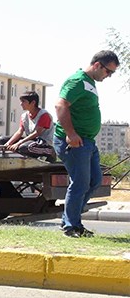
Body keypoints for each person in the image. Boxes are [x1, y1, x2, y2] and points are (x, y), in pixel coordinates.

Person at [54, 50, 119, 238]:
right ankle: (71, 226)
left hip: (87, 141)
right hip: (75, 141)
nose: (109, 76)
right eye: (109, 72)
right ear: (98, 65)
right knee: (80, 183)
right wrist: (71, 134)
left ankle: (70, 217)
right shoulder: (77, 81)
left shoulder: (89, 83)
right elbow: (60, 105)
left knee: (95, 181)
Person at [0, 91, 56, 162]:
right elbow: (20, 131)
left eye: (23, 101)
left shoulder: (44, 115)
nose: (21, 104)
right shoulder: (24, 116)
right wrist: (9, 143)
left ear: (33, 103)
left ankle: (49, 152)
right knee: (2, 140)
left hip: (42, 142)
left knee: (24, 147)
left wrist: (19, 143)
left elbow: (37, 133)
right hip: (30, 141)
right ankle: (5, 160)